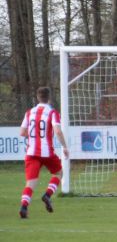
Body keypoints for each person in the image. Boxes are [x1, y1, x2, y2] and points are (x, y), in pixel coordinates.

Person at [19, 87, 69, 218]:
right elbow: (57, 131)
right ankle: (47, 195)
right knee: (59, 173)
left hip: (31, 153)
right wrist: (64, 146)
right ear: (49, 98)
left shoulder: (29, 113)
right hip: (47, 153)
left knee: (31, 183)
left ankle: (24, 206)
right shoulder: (52, 113)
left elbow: (22, 133)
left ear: (37, 97)